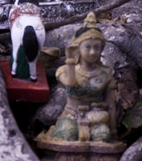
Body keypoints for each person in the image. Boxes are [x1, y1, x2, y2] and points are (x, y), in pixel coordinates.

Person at [47, 13, 118, 143]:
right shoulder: (64, 70)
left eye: (96, 47)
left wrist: (114, 131)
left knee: (103, 136)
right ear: (78, 48)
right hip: (71, 115)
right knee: (67, 135)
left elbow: (111, 104)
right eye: (87, 47)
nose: (92, 52)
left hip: (97, 118)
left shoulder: (106, 73)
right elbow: (70, 83)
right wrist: (69, 59)